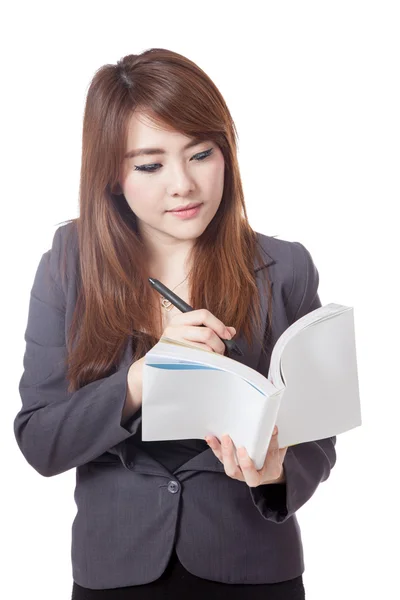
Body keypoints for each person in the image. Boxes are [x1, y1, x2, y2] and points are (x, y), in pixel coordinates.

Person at [13, 48, 336, 599]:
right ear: (112, 175)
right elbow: (41, 440)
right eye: (150, 164)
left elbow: (317, 440)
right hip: (116, 568)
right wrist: (141, 379)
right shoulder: (69, 264)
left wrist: (277, 474)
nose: (183, 184)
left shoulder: (285, 268)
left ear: (226, 153)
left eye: (201, 154)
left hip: (251, 566)